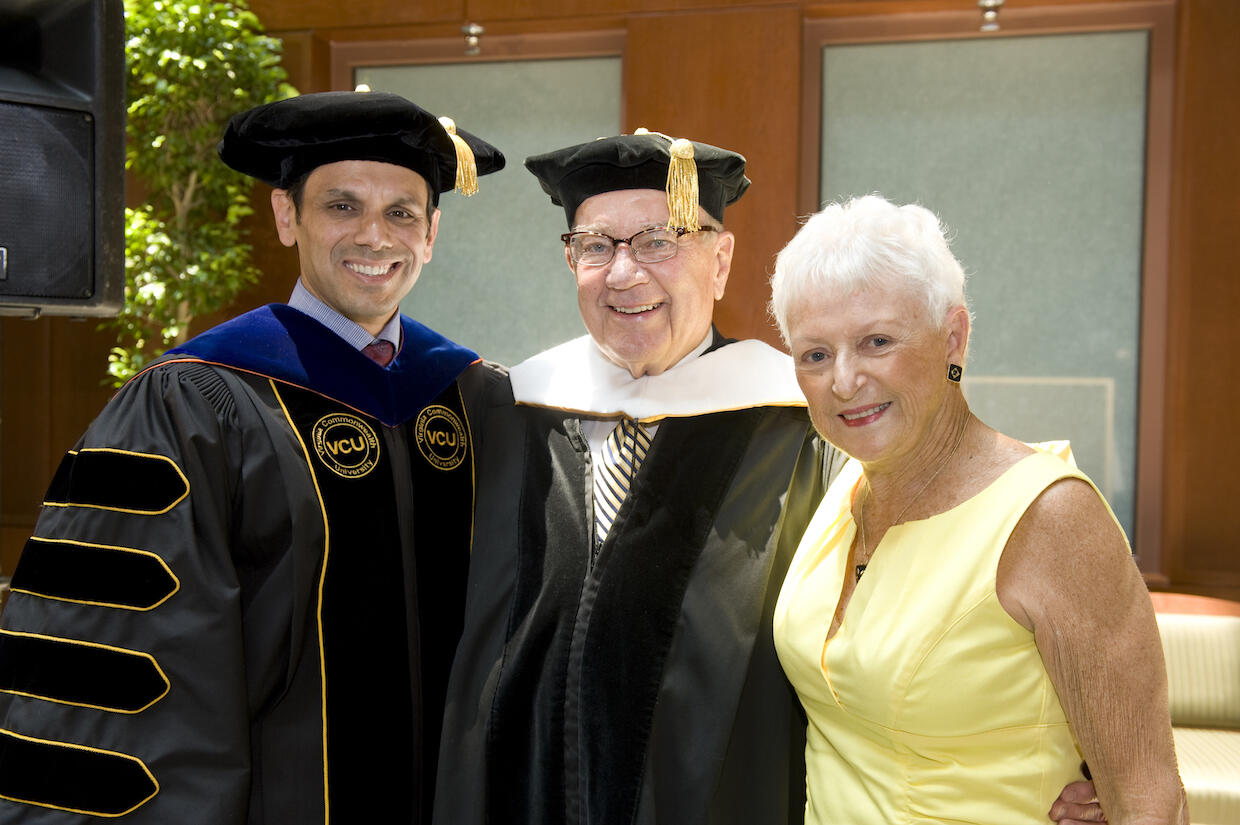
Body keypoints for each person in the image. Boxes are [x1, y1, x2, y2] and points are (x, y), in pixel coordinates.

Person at [432, 133, 1103, 825]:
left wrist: (1078, 753)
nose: (625, 272)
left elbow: (936, 603)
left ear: (720, 260)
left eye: (659, 240)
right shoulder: (507, 412)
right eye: (597, 245)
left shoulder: (809, 428)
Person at [0, 91, 505, 824]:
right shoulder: (194, 405)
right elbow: (131, 666)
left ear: (431, 232)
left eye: (401, 211)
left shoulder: (475, 401)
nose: (374, 234)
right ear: (285, 216)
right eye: (342, 205)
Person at [768, 194, 1186, 825]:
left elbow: (1148, 800)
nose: (844, 380)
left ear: (954, 339)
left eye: (877, 341)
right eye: (815, 354)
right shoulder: (840, 489)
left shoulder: (1050, 517)